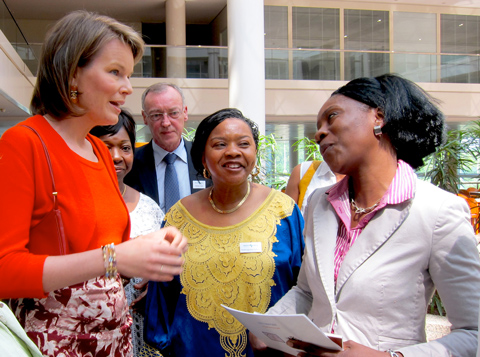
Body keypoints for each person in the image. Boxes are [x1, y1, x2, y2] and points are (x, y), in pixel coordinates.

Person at [0, 11, 187, 356]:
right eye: (115, 72)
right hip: (56, 343)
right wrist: (115, 258)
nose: (128, 87)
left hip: (114, 339)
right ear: (72, 74)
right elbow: (4, 269)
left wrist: (149, 248)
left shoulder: (100, 151)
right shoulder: (23, 143)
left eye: (128, 75)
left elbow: (103, 247)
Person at [256, 74, 480, 356]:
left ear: (378, 117)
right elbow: (307, 292)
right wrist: (270, 326)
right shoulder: (318, 203)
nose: (319, 133)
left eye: (331, 117)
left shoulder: (438, 211)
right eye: (318, 126)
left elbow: (473, 333)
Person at [143, 108, 305, 357]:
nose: (233, 151)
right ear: (202, 158)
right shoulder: (178, 217)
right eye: (220, 144)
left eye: (243, 144)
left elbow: (304, 286)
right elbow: (162, 299)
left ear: (254, 153)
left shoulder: (283, 211)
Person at [90, 109, 165, 356]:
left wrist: (155, 283)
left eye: (125, 147)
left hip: (142, 324)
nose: (117, 156)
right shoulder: (77, 205)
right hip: (93, 325)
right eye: (106, 146)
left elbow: (163, 263)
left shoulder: (149, 207)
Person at [125, 83, 211, 212]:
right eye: (156, 115)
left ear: (185, 113)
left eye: (173, 113)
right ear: (145, 118)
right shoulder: (130, 164)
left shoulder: (205, 157)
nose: (166, 123)